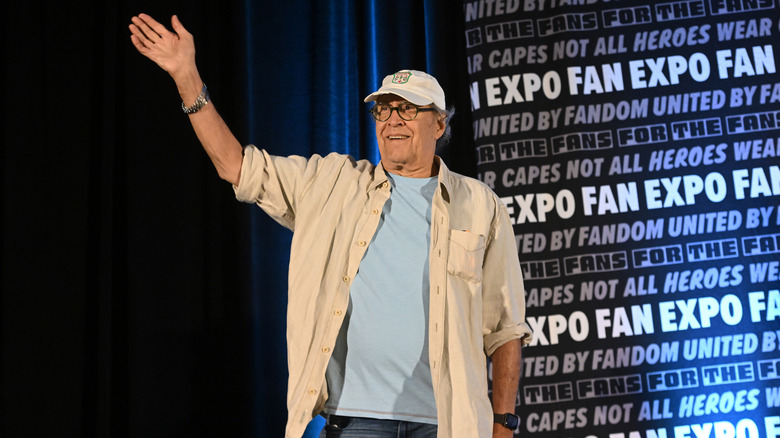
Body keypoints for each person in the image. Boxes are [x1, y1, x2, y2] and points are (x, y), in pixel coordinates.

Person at [129, 13, 531, 438]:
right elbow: (235, 166)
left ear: (439, 123)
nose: (393, 120)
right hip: (355, 419)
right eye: (384, 109)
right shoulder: (332, 184)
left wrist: (503, 422)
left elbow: (505, 327)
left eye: (408, 109)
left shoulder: (479, 203)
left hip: (447, 422)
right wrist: (187, 77)